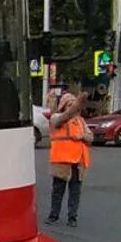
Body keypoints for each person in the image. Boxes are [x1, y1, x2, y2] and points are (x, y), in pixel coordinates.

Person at [45, 87, 93, 228]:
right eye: (69, 103)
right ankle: (53, 215)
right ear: (64, 105)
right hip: (62, 161)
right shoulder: (56, 118)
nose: (73, 106)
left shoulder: (80, 121)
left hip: (78, 162)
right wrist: (78, 102)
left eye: (74, 103)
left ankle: (72, 217)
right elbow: (65, 116)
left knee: (75, 192)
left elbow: (90, 137)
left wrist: (82, 136)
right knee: (58, 191)